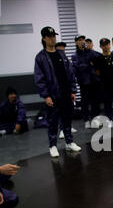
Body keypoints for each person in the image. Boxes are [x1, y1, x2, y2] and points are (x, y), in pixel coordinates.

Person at [34, 26, 81, 158]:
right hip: (52, 95)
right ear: (44, 38)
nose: (52, 39)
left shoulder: (61, 54)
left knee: (67, 119)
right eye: (49, 37)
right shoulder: (41, 57)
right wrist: (46, 95)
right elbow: (39, 78)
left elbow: (70, 73)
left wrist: (73, 90)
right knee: (53, 121)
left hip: (65, 93)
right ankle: (53, 145)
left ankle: (69, 142)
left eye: (54, 36)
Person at [71, 35, 101, 129]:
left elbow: (98, 59)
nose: (82, 41)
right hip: (83, 82)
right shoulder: (75, 55)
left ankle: (94, 118)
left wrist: (88, 50)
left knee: (95, 101)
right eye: (79, 40)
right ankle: (86, 120)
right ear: (76, 42)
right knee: (85, 102)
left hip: (94, 80)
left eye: (83, 40)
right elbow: (77, 68)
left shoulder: (90, 52)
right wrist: (89, 64)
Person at [93, 38, 113, 125]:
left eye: (107, 44)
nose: (106, 47)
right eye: (103, 45)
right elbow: (97, 71)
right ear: (101, 46)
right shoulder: (98, 58)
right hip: (104, 84)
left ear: (110, 45)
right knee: (107, 103)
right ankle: (109, 119)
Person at [55, 42, 78, 136]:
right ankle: (61, 129)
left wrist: (73, 90)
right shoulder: (53, 61)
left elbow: (71, 75)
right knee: (60, 110)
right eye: (60, 49)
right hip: (57, 90)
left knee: (69, 110)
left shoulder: (66, 60)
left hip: (67, 89)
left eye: (63, 50)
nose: (62, 51)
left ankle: (68, 126)